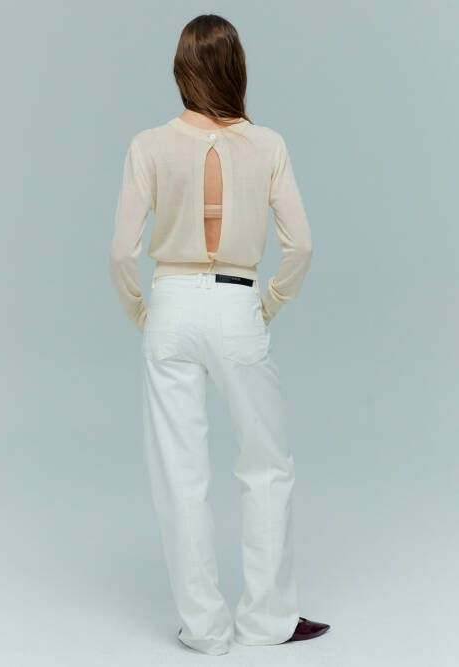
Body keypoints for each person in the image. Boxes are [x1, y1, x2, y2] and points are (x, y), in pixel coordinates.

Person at [109, 13, 330, 656]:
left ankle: (204, 628)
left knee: (178, 473)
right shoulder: (268, 145)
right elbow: (301, 246)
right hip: (238, 303)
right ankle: (268, 621)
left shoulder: (149, 145)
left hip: (171, 304)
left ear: (180, 69)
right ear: (237, 68)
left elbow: (122, 253)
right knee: (266, 464)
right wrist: (270, 304)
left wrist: (141, 313)